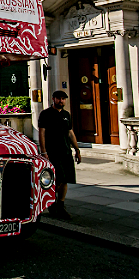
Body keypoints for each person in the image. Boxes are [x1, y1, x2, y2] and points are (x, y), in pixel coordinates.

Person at [38, 90, 81, 220]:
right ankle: (52, 202)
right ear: (53, 99)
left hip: (66, 151)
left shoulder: (66, 115)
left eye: (63, 99)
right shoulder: (46, 114)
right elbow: (42, 133)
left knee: (66, 178)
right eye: (58, 98)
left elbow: (70, 133)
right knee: (58, 178)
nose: (61, 101)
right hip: (53, 152)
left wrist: (77, 150)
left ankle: (60, 204)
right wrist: (44, 152)